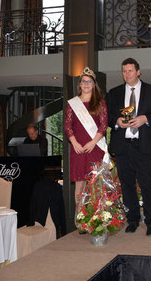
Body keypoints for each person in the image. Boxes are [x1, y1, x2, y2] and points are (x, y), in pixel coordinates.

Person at [106, 58, 151, 236]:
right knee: (127, 185)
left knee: (147, 185)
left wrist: (145, 119)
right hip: (123, 147)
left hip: (143, 146)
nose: (127, 74)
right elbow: (108, 116)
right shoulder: (114, 93)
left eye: (130, 70)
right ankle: (133, 219)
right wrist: (117, 122)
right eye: (124, 71)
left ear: (138, 72)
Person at [65, 67, 108, 206]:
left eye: (89, 81)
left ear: (94, 84)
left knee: (96, 185)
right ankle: (80, 220)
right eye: (83, 81)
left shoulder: (100, 102)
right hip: (78, 148)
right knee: (80, 185)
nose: (86, 84)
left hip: (94, 147)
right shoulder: (72, 104)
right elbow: (67, 126)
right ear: (79, 84)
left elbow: (103, 125)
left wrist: (93, 142)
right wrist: (74, 143)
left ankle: (96, 221)